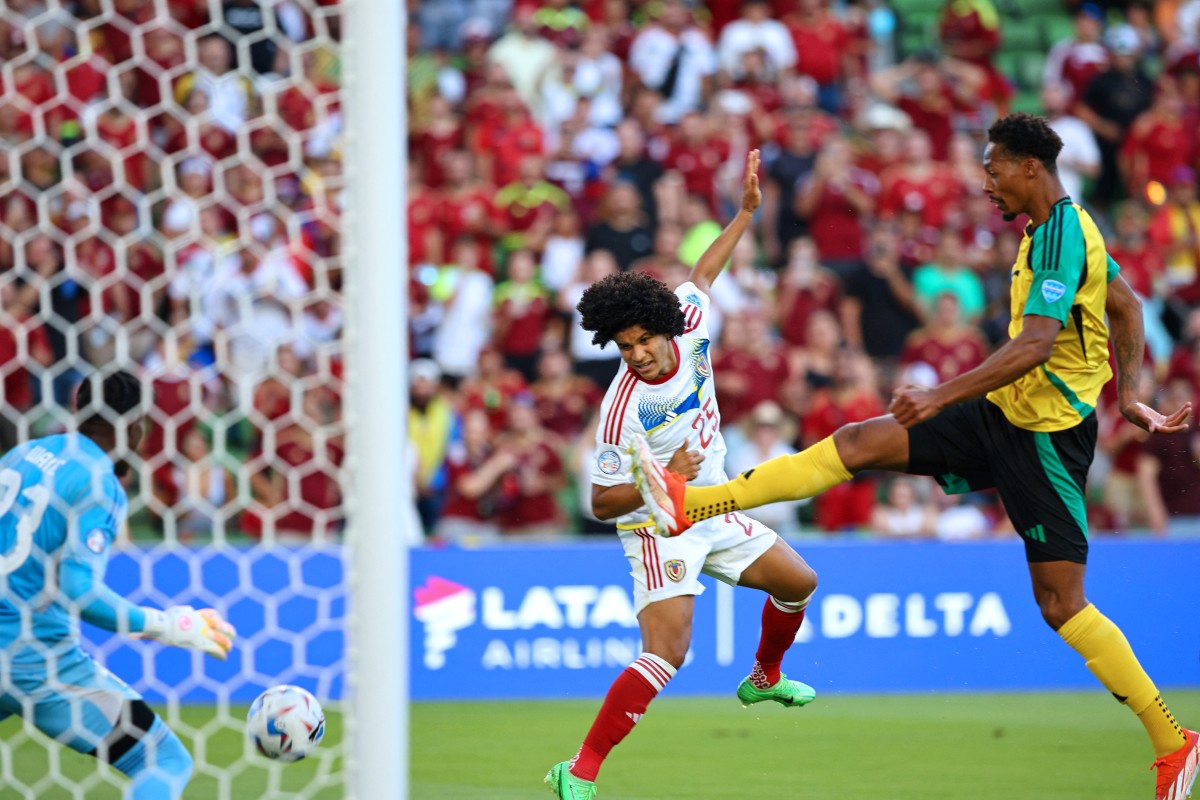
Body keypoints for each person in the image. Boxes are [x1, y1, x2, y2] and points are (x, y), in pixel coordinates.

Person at [629, 114, 1200, 800]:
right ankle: (695, 504)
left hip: (1044, 438)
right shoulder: (1052, 232)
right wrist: (1131, 392)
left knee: (1060, 603)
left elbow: (1035, 346)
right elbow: (1127, 303)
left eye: (993, 170)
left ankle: (1175, 742)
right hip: (1003, 409)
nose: (985, 183)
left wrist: (936, 397)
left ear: (1029, 168)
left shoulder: (1059, 238)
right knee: (857, 443)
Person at [544, 151, 820, 799]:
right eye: (624, 346)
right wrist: (661, 478)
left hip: (713, 505)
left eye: (643, 339)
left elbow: (704, 270)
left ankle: (764, 677)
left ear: (665, 328)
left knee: (799, 582)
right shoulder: (621, 410)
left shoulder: (690, 323)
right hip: (656, 526)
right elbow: (600, 501)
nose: (636, 354)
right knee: (667, 653)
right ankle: (579, 770)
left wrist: (747, 212)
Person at [0, 370, 236, 799]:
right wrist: (169, 626)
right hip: (36, 662)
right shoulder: (98, 481)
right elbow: (82, 593)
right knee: (164, 759)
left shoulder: (22, 454)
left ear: (77, 410)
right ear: (134, 425)